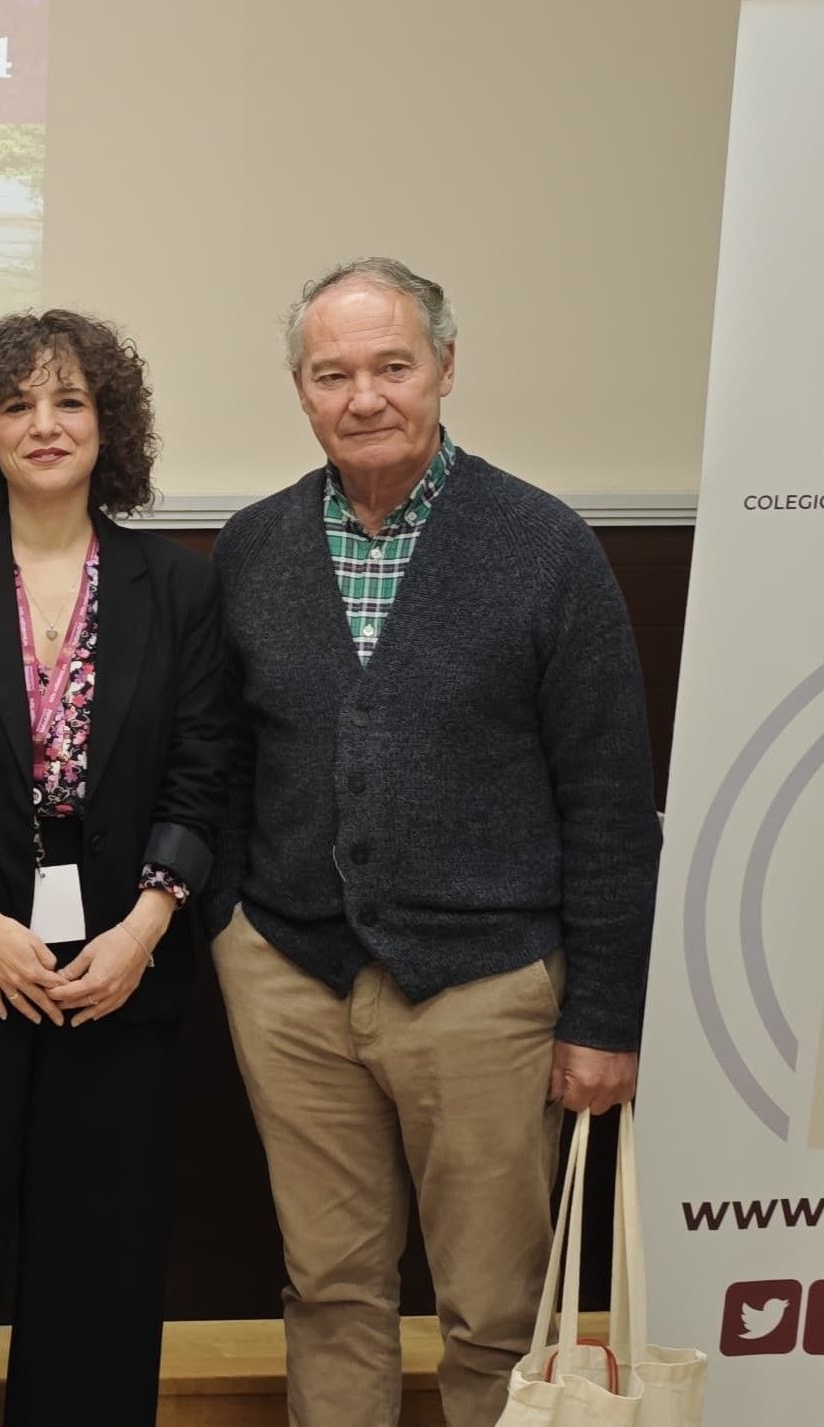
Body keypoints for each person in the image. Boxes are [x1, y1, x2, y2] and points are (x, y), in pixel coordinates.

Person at [205, 257, 658, 1427]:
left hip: (482, 987)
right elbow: (221, 766)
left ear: (445, 370)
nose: (363, 396)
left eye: (391, 366)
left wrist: (602, 1016)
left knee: (491, 1307)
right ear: (301, 392)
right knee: (327, 1285)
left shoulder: (544, 548)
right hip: (292, 977)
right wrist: (233, 931)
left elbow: (608, 800)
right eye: (331, 372)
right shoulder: (250, 549)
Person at [0, 310, 230, 1425]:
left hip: (122, 963)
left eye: (68, 399)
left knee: (100, 1256)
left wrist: (145, 924)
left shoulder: (174, 583)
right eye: (16, 403)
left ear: (106, 423)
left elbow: (205, 762)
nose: (43, 423)